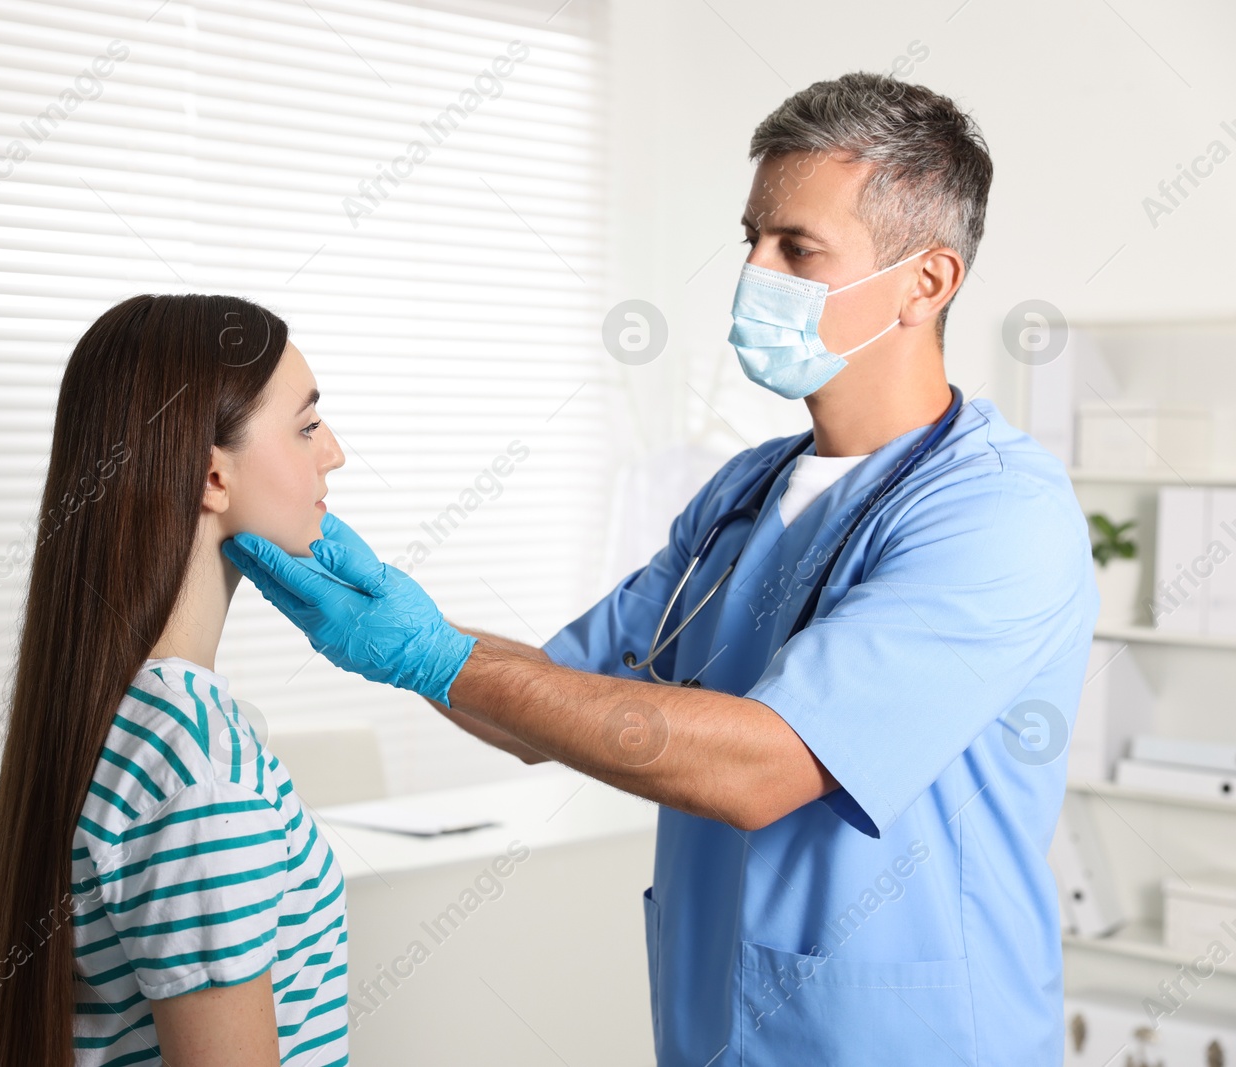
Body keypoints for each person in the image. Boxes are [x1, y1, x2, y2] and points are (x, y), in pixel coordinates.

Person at [223, 74, 1098, 1065]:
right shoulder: (742, 491)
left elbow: (766, 765)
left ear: (926, 282)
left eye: (796, 248)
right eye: (751, 238)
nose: (752, 273)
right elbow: (548, 701)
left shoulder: (994, 512)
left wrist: (437, 656)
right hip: (713, 1027)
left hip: (910, 1038)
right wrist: (393, 626)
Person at [0, 294, 350, 1067]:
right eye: (306, 426)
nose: (333, 453)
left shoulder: (124, 709)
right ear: (210, 474)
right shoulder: (202, 766)